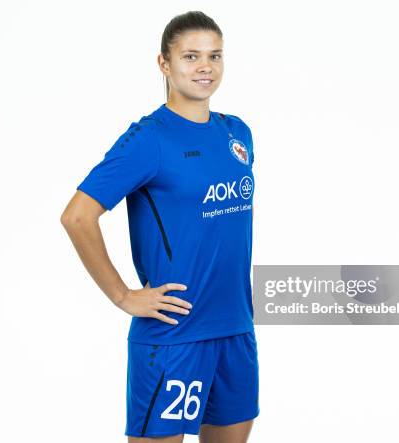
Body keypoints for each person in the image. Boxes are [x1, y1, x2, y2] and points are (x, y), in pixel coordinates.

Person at [61, 10, 258, 443]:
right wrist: (122, 295)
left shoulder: (237, 133)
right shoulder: (149, 139)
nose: (205, 67)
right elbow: (77, 216)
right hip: (174, 336)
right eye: (190, 56)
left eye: (214, 55)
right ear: (164, 64)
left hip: (236, 329)